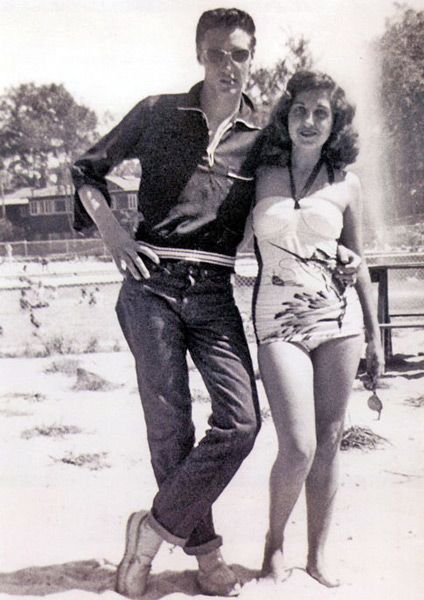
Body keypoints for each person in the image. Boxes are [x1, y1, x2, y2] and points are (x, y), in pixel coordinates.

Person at [71, 8, 263, 598]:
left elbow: (303, 191)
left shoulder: (266, 132)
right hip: (150, 286)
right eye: (215, 53)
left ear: (252, 56)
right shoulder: (159, 112)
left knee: (241, 423)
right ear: (198, 54)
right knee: (169, 429)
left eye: (238, 54)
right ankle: (205, 555)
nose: (227, 66)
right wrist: (115, 236)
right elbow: (85, 169)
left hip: (214, 291)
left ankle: (151, 532)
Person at [250, 71, 384, 587]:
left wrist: (374, 335)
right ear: (286, 118)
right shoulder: (260, 172)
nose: (309, 121)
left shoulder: (346, 181)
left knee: (329, 440)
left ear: (335, 123)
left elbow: (360, 260)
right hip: (278, 321)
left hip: (339, 321)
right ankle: (274, 544)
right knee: (299, 445)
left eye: (321, 113)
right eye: (300, 110)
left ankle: (318, 554)